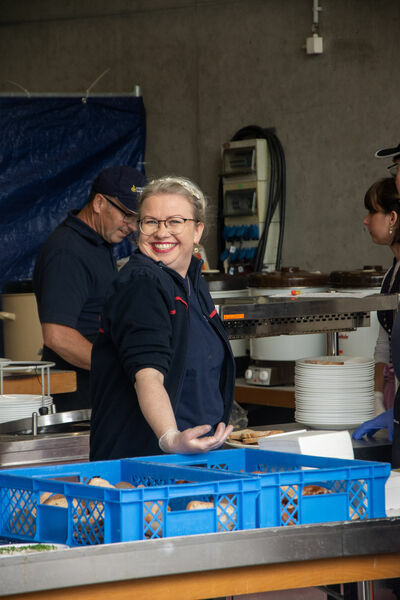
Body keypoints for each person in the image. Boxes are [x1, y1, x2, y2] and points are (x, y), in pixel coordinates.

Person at [90, 176, 235, 459]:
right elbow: (148, 373)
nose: (161, 232)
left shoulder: (192, 280)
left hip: (194, 457)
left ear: (197, 231)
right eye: (151, 222)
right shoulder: (142, 283)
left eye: (174, 222)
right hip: (146, 461)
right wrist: (170, 437)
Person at [33, 165, 146, 412]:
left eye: (136, 219)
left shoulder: (98, 244)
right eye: (127, 215)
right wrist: (118, 368)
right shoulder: (67, 251)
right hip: (77, 402)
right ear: (99, 203)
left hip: (99, 394)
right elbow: (57, 336)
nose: (132, 226)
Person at [352, 178, 400, 468]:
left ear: (392, 218)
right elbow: (385, 341)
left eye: (372, 211)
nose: (365, 220)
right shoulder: (391, 275)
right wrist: (378, 396)